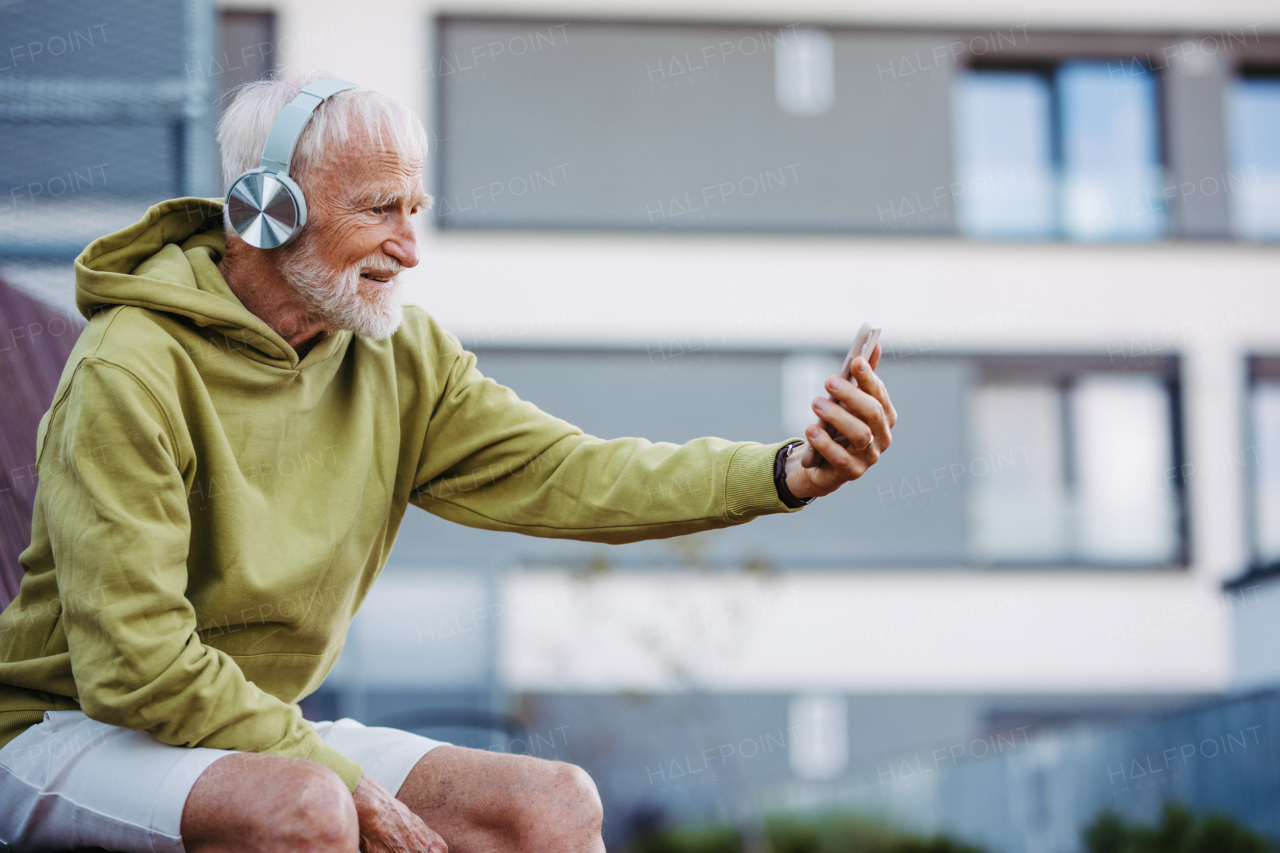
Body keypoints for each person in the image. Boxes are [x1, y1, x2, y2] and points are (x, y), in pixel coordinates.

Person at [0, 72, 896, 853]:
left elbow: (569, 473)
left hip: (252, 735)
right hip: (70, 728)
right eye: (378, 209)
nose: (410, 246)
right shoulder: (131, 366)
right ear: (265, 208)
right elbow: (140, 667)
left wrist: (784, 471)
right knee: (307, 809)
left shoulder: (399, 355)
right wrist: (330, 770)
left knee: (552, 806)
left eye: (414, 210)